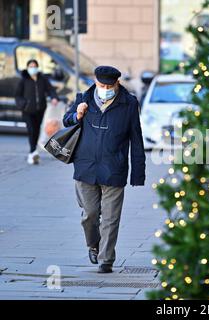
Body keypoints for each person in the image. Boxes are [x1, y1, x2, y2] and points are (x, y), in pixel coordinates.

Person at [62, 66, 146, 273]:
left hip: (114, 169)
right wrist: (77, 115)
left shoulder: (129, 103)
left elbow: (136, 139)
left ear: (117, 83)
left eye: (110, 85)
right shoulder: (84, 98)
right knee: (90, 214)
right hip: (86, 167)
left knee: (110, 218)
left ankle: (106, 259)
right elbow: (66, 120)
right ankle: (93, 244)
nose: (105, 89)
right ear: (95, 81)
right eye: (101, 85)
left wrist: (138, 172)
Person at [15, 59, 59, 164]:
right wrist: (24, 105)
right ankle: (32, 152)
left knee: (36, 130)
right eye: (30, 66)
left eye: (34, 66)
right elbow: (18, 95)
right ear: (27, 67)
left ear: (37, 67)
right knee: (31, 130)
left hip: (40, 110)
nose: (32, 68)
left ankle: (33, 152)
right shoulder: (23, 80)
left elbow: (50, 90)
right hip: (27, 111)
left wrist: (54, 97)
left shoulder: (42, 79)